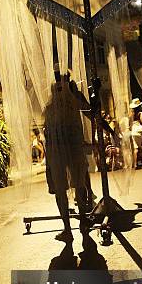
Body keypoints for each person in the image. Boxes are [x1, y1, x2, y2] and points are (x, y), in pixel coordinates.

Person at [44, 77, 91, 242]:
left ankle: (72, 226)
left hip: (59, 151)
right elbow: (88, 110)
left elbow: (47, 134)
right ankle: (79, 221)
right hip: (65, 149)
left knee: (67, 187)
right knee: (73, 185)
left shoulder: (54, 107)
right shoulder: (70, 102)